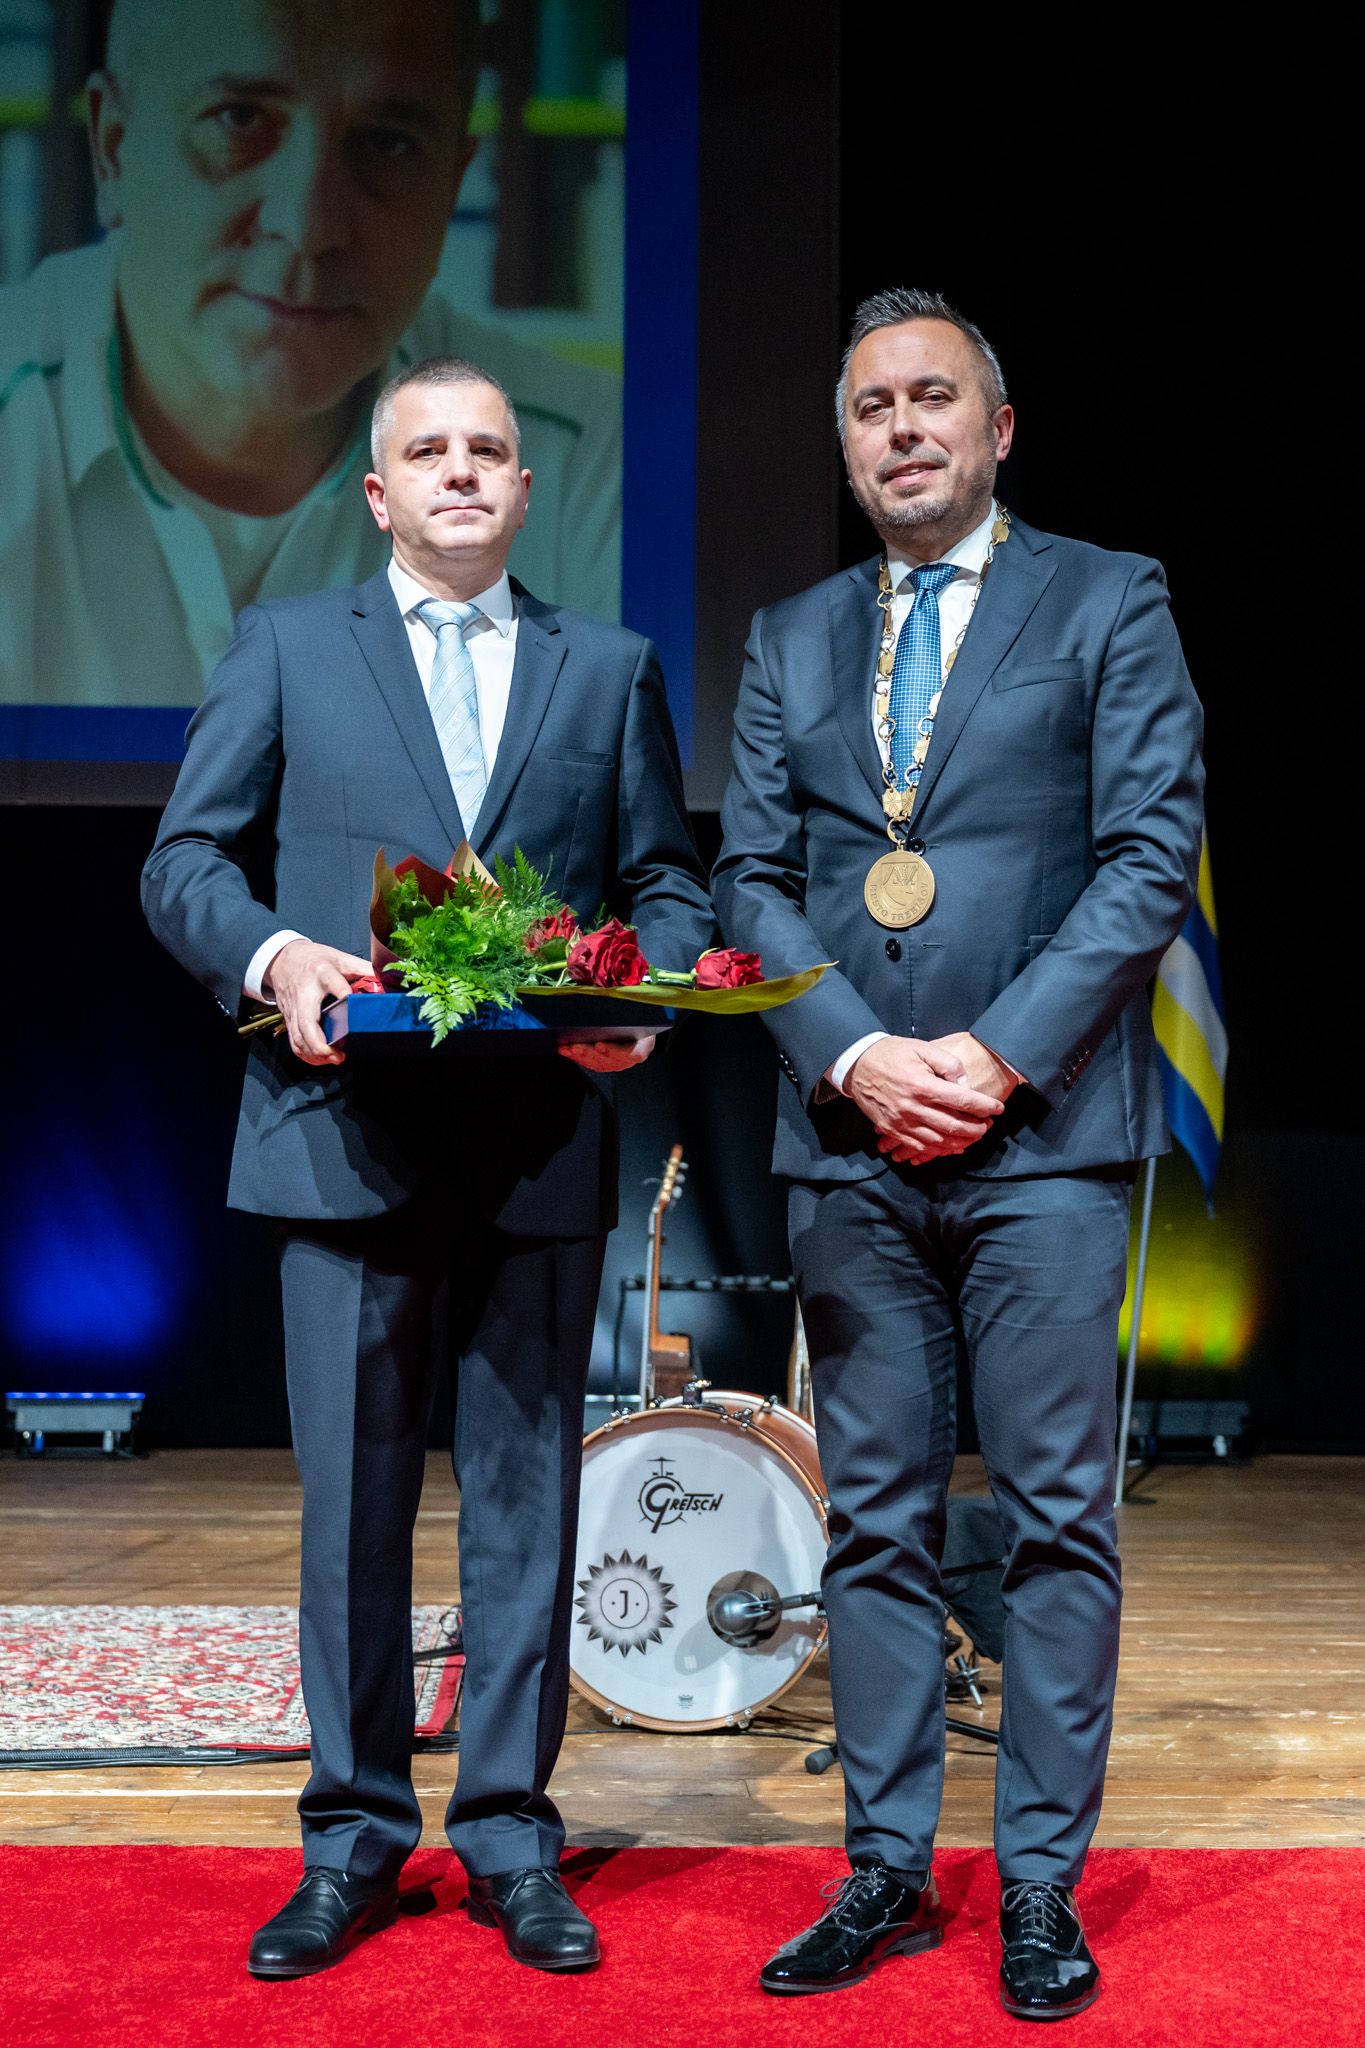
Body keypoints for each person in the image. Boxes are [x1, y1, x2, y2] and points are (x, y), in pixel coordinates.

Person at [142, 354, 712, 1979]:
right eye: (429, 450)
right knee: (353, 1514)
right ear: (378, 491)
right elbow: (185, 861)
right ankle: (351, 1839)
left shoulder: (609, 667)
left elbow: (666, 879)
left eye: (487, 449)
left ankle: (514, 1834)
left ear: (525, 488)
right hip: (339, 1138)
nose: (460, 470)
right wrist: (274, 958)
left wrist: (641, 996)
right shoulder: (286, 646)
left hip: (537, 1143)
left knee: (528, 1506)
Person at [712, 287, 1204, 2021]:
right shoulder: (789, 635)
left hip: (1045, 1140)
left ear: (997, 430)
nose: (902, 427)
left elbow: (1149, 857)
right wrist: (857, 1052)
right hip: (852, 1141)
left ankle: (1042, 1886)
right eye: (871, 408)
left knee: (1058, 1516)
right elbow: (748, 877)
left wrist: (991, 1059)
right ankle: (886, 1868)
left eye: (933, 398)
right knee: (875, 1525)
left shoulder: (1108, 597)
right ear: (846, 448)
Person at [0, 0, 620, 711]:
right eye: (240, 120)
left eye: (386, 142)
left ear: (452, 184)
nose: (308, 226)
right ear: (114, 147)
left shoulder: (591, 473)